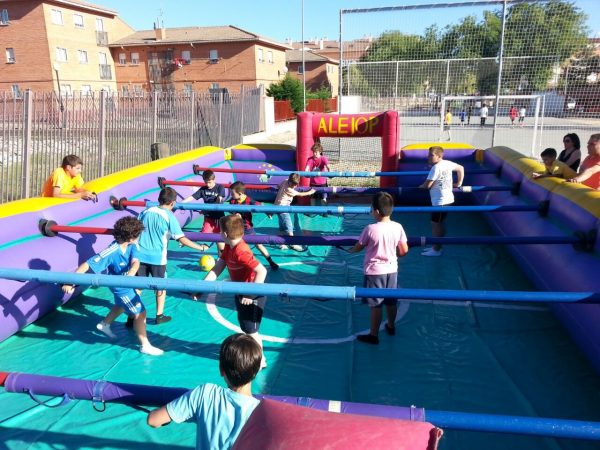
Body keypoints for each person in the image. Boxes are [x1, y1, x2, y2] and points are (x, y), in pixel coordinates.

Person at [62, 216, 163, 355]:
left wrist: (133, 271)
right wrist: (70, 281)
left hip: (127, 282)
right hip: (120, 286)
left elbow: (135, 261)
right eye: (138, 235)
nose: (140, 237)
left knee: (121, 305)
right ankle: (145, 345)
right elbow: (87, 264)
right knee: (141, 313)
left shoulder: (132, 246)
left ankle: (104, 324)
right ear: (131, 237)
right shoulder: (111, 251)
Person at [147, 333, 261, 449]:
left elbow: (153, 420)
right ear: (256, 371)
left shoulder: (206, 393)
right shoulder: (262, 413)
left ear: (221, 370)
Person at [137, 187, 209, 325]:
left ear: (159, 199)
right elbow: (182, 239)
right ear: (173, 203)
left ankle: (132, 314)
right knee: (161, 287)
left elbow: (135, 230)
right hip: (157, 258)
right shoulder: (169, 216)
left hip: (140, 256)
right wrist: (200, 247)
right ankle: (159, 315)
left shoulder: (145, 212)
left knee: (138, 287)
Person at [204, 215, 268, 368]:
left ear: (225, 235)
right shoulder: (229, 247)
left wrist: (250, 294)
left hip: (253, 294)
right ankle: (259, 358)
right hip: (241, 291)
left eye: (220, 232)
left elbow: (262, 271)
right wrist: (203, 286)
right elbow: (220, 265)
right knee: (247, 328)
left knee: (251, 331)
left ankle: (260, 361)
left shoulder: (241, 251)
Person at [348, 192, 408, 345]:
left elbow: (359, 246)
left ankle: (373, 335)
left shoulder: (370, 229)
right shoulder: (398, 227)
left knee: (376, 305)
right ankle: (391, 325)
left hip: (374, 272)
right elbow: (403, 251)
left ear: (376, 211)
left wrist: (350, 250)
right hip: (392, 269)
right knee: (391, 301)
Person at [419, 146, 464, 257]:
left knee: (436, 224)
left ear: (439, 156)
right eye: (428, 154)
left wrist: (420, 187)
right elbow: (461, 168)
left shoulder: (436, 168)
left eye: (431, 155)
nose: (428, 157)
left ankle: (436, 249)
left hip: (441, 202)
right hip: (447, 199)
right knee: (439, 223)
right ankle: (437, 246)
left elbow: (427, 185)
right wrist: (459, 183)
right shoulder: (447, 163)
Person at [228, 181, 279, 271]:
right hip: (236, 228)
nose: (231, 195)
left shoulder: (248, 201)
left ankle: (270, 261)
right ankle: (230, 262)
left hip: (247, 228)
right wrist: (235, 215)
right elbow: (231, 212)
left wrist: (268, 212)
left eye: (232, 193)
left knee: (258, 245)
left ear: (240, 193)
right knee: (232, 246)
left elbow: (259, 206)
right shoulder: (232, 201)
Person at [183, 169, 226, 256]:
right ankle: (204, 247)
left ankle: (221, 258)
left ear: (214, 179)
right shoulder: (203, 189)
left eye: (209, 182)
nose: (208, 184)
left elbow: (219, 200)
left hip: (218, 218)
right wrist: (181, 203)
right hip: (208, 218)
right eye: (206, 182)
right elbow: (192, 197)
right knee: (204, 235)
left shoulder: (220, 187)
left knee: (220, 244)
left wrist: (218, 199)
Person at [274, 173, 315, 252]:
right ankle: (292, 244)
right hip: (283, 209)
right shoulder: (290, 190)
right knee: (289, 227)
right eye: (293, 185)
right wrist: (310, 192)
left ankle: (281, 244)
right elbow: (300, 194)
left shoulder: (285, 181)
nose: (294, 187)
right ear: (290, 182)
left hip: (277, 207)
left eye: (295, 185)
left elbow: (278, 186)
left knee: (282, 227)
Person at [304, 141, 331, 207]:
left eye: (316, 152)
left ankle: (324, 211)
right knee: (313, 197)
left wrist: (330, 172)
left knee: (323, 197)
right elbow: (307, 168)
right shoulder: (310, 159)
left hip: (322, 182)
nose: (314, 154)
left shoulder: (323, 158)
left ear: (320, 152)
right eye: (313, 152)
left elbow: (328, 167)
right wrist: (306, 172)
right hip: (313, 183)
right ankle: (312, 211)